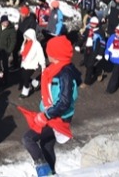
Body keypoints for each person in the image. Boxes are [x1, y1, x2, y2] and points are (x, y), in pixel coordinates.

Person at [20, 36, 81, 177]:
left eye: (49, 52)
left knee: (28, 139)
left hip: (57, 118)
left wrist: (46, 115)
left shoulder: (65, 74)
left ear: (56, 54)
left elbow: (64, 101)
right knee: (46, 145)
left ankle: (44, 173)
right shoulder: (56, 69)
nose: (48, 55)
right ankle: (51, 172)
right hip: (52, 114)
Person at [76, 17, 107, 85]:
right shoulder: (88, 29)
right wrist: (78, 45)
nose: (92, 25)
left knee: (89, 65)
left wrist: (100, 53)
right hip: (87, 48)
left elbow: (102, 44)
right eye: (91, 24)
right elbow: (83, 37)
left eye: (94, 24)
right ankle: (99, 71)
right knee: (87, 64)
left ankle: (87, 82)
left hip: (95, 50)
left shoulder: (100, 32)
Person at [19, 29, 46, 98]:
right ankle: (36, 83)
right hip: (24, 63)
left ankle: (25, 91)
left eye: (28, 36)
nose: (27, 38)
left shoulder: (37, 45)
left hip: (32, 65)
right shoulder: (25, 42)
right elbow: (22, 49)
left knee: (26, 78)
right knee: (23, 76)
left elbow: (41, 55)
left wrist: (43, 65)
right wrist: (21, 52)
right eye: (26, 36)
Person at [0, 15, 16, 87]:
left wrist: (9, 51)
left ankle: (5, 79)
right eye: (4, 22)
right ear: (1, 22)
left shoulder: (11, 30)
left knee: (5, 65)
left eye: (7, 22)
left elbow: (13, 41)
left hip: (5, 50)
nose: (6, 23)